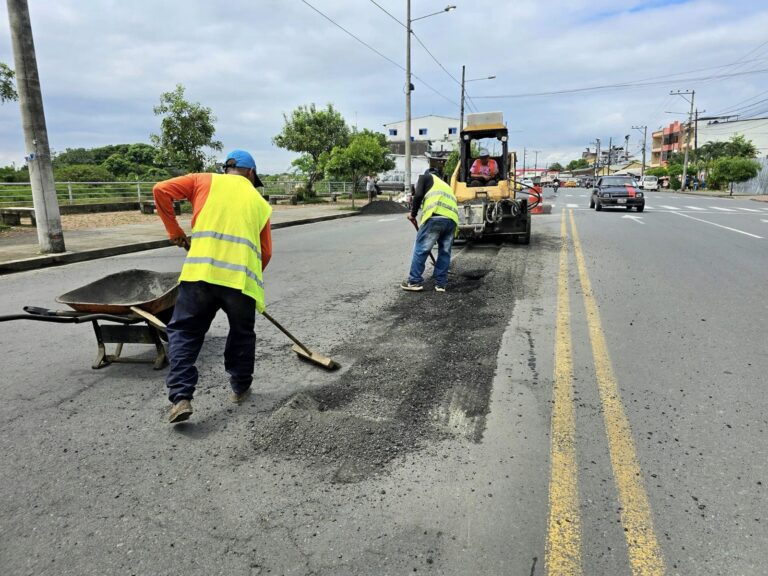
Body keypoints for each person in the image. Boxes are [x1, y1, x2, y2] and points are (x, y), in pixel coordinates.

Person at [153, 149, 273, 424]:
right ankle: (240, 387)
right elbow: (265, 252)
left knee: (184, 331)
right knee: (242, 333)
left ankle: (181, 397)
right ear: (251, 174)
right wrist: (249, 279)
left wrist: (175, 232)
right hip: (239, 282)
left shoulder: (202, 181)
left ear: (226, 169)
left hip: (199, 276)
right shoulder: (259, 201)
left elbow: (160, 189)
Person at [401, 158, 459, 293]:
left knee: (421, 249)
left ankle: (414, 281)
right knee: (444, 252)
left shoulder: (425, 177)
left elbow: (418, 195)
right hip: (451, 220)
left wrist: (413, 214)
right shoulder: (446, 185)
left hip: (435, 217)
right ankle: (441, 284)